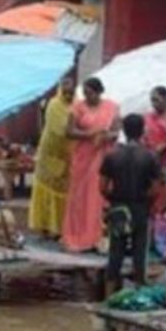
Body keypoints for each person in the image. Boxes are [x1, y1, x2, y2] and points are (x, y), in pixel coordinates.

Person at [100, 114, 160, 290]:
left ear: (124, 132)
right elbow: (156, 188)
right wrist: (145, 199)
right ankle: (139, 292)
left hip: (118, 208)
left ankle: (109, 296)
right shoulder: (150, 156)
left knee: (115, 253)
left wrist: (113, 199)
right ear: (142, 131)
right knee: (139, 253)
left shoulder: (112, 156)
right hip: (140, 208)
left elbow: (102, 187)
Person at [63, 77, 120, 252]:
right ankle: (77, 235)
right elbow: (69, 131)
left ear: (99, 92)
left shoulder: (112, 107)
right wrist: (90, 134)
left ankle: (96, 237)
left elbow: (116, 132)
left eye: (90, 93)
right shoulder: (78, 107)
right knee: (80, 197)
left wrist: (105, 136)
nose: (87, 97)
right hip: (83, 156)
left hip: (103, 155)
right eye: (85, 93)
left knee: (98, 196)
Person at [29, 75, 75, 240]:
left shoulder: (76, 106)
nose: (69, 94)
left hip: (66, 155)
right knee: (45, 189)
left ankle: (59, 228)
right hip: (49, 153)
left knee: (62, 191)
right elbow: (61, 129)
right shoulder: (54, 105)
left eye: (71, 90)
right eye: (65, 90)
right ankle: (43, 228)